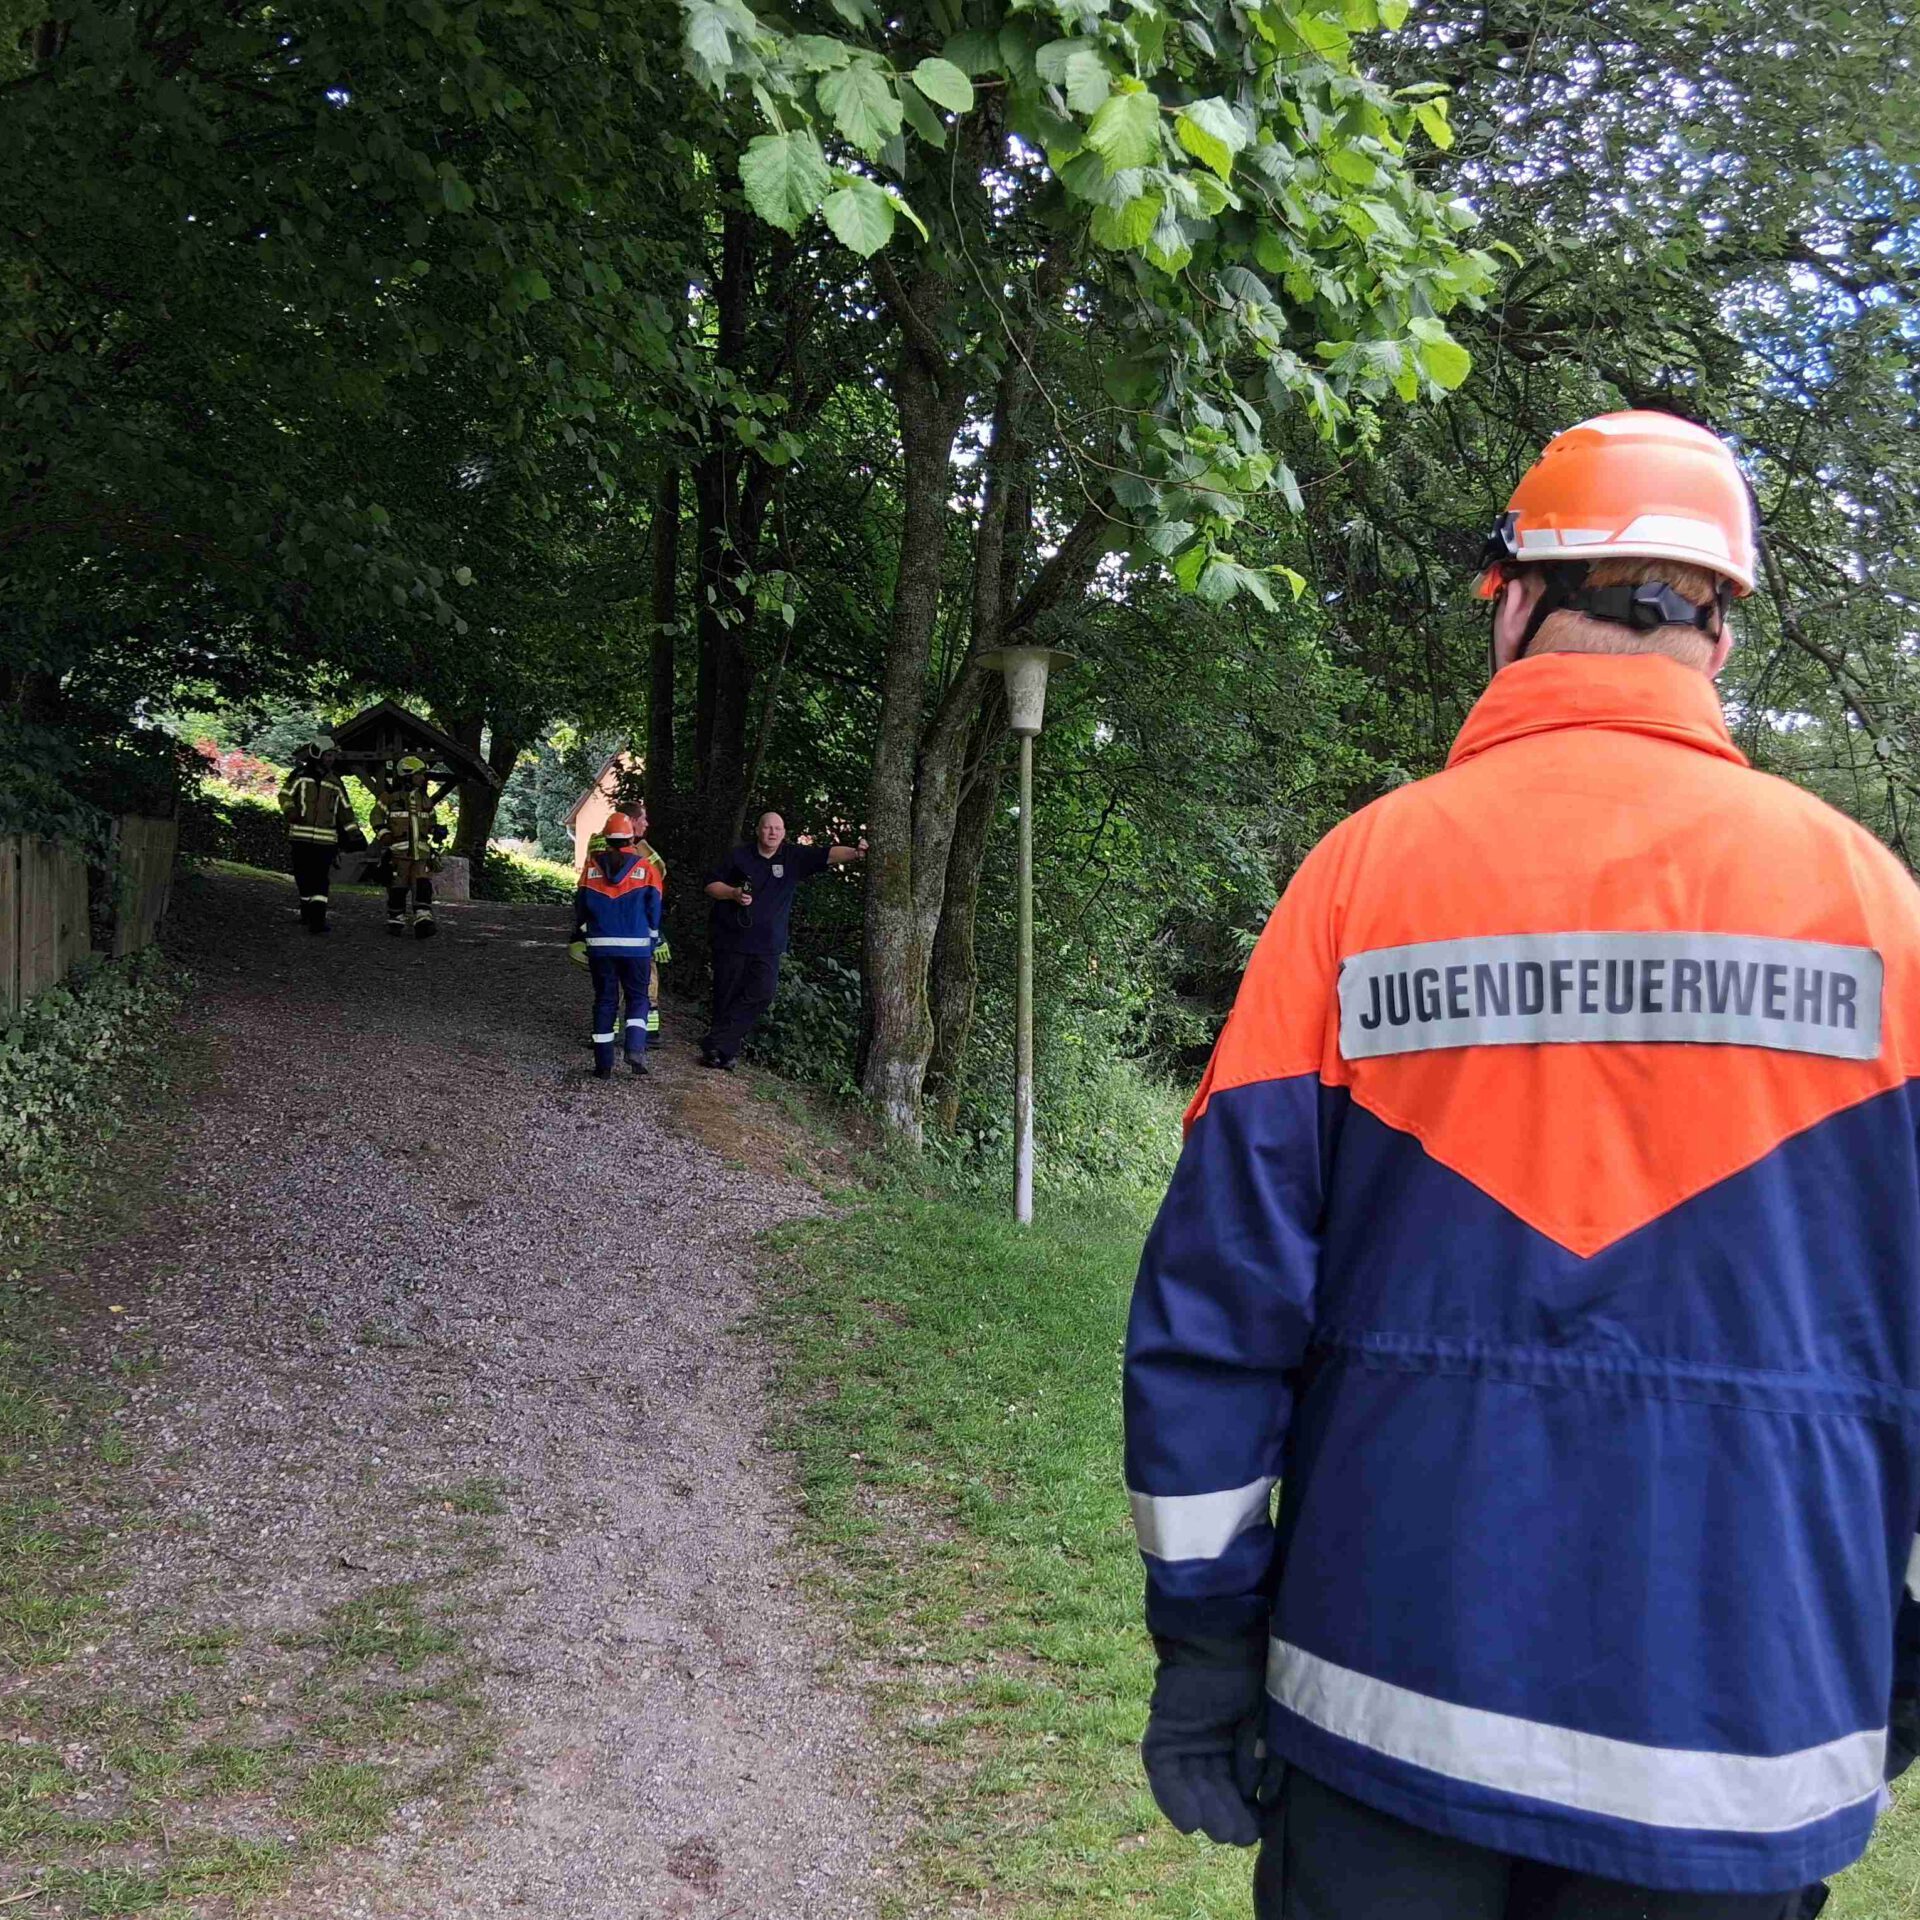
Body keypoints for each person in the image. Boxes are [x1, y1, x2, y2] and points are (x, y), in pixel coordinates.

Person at [1123, 412, 1919, 1920]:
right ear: (1718, 633)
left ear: (1512, 599)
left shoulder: (1363, 879)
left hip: (1387, 1707)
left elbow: (1217, 1308)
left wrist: (1208, 1644)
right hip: (1740, 1732)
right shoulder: (1880, 912)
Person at [699, 811, 865, 1069]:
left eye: (777, 828)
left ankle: (716, 1042)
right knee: (726, 994)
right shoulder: (738, 856)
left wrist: (857, 853)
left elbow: (829, 855)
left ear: (784, 832)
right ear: (758, 830)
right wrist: (733, 893)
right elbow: (711, 886)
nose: (772, 832)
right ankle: (723, 1052)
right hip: (731, 939)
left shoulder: (792, 858)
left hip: (768, 945)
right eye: (767, 828)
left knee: (762, 993)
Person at [569, 812, 662, 1079]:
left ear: (607, 838)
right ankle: (634, 1047)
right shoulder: (646, 868)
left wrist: (583, 934)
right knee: (638, 998)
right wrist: (653, 937)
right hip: (637, 947)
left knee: (605, 1001)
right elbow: (654, 908)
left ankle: (603, 1064)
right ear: (631, 837)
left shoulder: (591, 869)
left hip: (600, 946)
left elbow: (581, 906)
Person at [580, 797, 671, 1040]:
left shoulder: (599, 844)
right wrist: (656, 933)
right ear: (630, 822)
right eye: (642, 820)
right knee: (639, 982)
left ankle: (610, 1032)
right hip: (633, 923)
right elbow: (658, 873)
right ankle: (642, 1034)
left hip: (604, 928)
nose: (647, 824)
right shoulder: (634, 851)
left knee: (608, 989)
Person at [276, 734, 362, 934]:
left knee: (321, 878)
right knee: (302, 875)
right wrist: (290, 811)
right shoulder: (299, 777)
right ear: (317, 755)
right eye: (328, 755)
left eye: (333, 755)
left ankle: (318, 918)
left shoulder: (335, 783)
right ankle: (307, 909)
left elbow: (345, 810)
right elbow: (285, 795)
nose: (331, 759)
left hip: (326, 840)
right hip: (300, 837)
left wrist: (354, 834)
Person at [370, 753, 447, 939]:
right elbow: (376, 817)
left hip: (421, 852)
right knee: (399, 885)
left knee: (422, 882)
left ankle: (423, 917)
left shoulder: (425, 799)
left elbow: (430, 820)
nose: (422, 778)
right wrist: (384, 835)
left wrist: (437, 830)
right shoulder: (389, 798)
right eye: (419, 774)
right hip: (399, 852)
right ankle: (396, 917)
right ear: (407, 775)